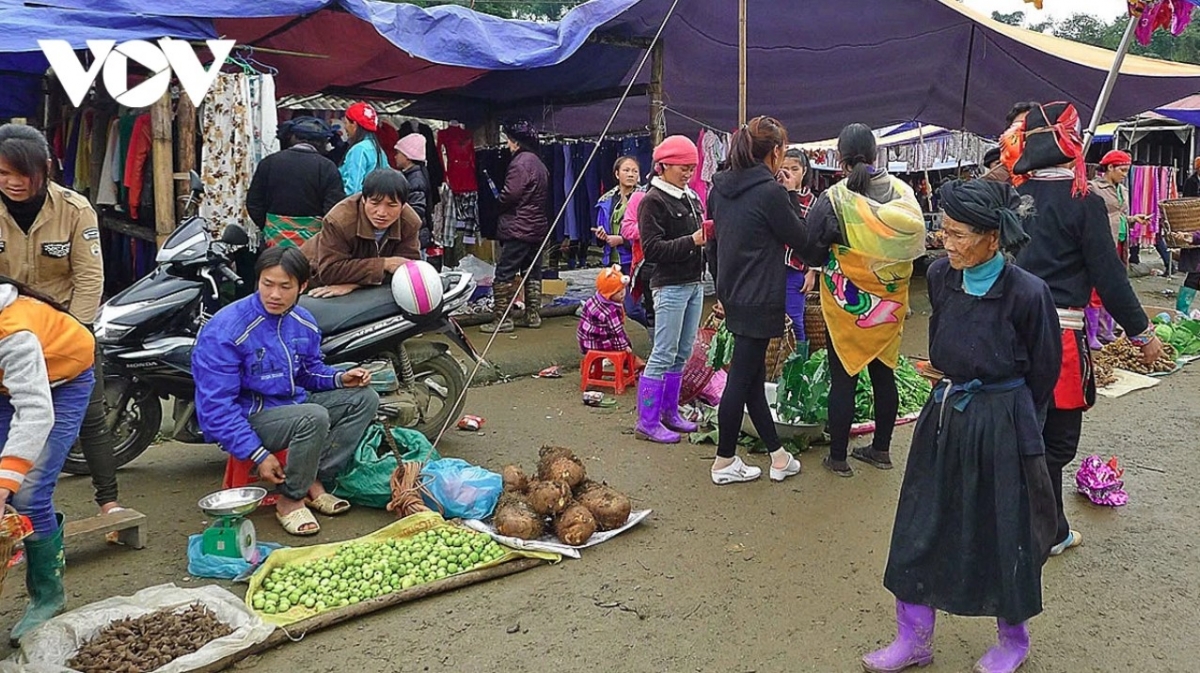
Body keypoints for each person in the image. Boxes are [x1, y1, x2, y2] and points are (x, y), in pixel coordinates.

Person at [863, 179, 1059, 673]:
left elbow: (1043, 372)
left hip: (1003, 420)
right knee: (919, 523)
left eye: (958, 234)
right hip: (944, 413)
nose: (946, 243)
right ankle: (914, 638)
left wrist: (1015, 428)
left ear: (993, 236)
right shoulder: (939, 278)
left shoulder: (1028, 293)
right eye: (943, 232)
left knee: (1004, 529)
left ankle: (1013, 640)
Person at [1012, 101, 1163, 557]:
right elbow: (1109, 277)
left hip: (1011, 333)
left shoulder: (1014, 198)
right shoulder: (1084, 202)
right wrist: (1142, 332)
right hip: (1057, 339)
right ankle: (1043, 530)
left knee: (1023, 431)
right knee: (1056, 442)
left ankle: (1039, 525)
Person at [192, 247, 379, 536]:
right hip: (249, 417)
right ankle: (290, 500)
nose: (275, 295)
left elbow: (308, 373)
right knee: (313, 416)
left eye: (285, 286)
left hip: (294, 406)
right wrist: (256, 453)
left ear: (302, 287)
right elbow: (215, 409)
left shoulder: (302, 321)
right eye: (267, 284)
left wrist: (341, 379)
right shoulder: (226, 329)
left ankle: (312, 479)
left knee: (364, 398)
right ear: (257, 282)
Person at [0, 124, 121, 518]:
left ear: (46, 169)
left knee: (92, 417)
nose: (13, 183)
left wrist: (76, 333)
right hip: (9, 331)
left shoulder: (74, 209)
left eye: (23, 174)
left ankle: (109, 501)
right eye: (3, 174)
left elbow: (90, 278)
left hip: (66, 332)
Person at [797, 123, 926, 477]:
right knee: (884, 376)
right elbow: (916, 244)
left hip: (847, 304)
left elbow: (812, 247)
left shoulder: (834, 198)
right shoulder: (903, 193)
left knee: (844, 378)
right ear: (875, 154)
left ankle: (838, 458)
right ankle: (881, 451)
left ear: (839, 158)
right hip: (889, 303)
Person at [706, 117, 807, 484]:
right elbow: (802, 241)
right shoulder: (771, 193)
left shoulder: (717, 190)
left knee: (751, 379)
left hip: (734, 293)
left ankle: (778, 456)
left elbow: (713, 245)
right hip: (761, 295)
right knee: (741, 379)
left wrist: (722, 288)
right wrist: (793, 194)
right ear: (776, 151)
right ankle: (724, 460)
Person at [0, 278, 94, 644]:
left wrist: (4, 485)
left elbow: (36, 414)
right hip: (8, 385)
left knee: (27, 493)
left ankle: (48, 597)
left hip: (63, 380)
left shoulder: (14, 332)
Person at [634, 135, 706, 445]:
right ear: (662, 167)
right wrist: (693, 241)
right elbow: (652, 250)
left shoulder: (690, 196)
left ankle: (670, 412)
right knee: (662, 353)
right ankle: (647, 421)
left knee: (682, 352)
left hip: (694, 283)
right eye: (681, 167)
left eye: (691, 166)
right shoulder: (653, 200)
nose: (687, 172)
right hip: (670, 286)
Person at [301, 169, 421, 298]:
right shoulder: (339, 220)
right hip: (312, 282)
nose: (381, 212)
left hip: (360, 291)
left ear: (403, 206)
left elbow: (407, 272)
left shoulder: (410, 223)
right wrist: (384, 264)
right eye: (375, 203)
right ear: (364, 199)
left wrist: (354, 285)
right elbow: (329, 271)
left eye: (391, 205)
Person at [480, 120, 550, 334]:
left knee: (505, 273)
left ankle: (503, 320)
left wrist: (497, 203)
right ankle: (532, 315)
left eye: (510, 141)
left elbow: (510, 195)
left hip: (518, 226)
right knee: (532, 271)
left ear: (516, 142)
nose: (508, 145)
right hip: (537, 227)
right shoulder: (539, 163)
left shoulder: (520, 163)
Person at [246, 117, 345, 246]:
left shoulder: (269, 163)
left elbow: (253, 202)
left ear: (292, 138)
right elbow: (334, 209)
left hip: (273, 238)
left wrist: (271, 225)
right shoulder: (327, 167)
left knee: (273, 266)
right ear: (321, 142)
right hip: (312, 243)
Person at [1088, 150, 1146, 348]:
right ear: (1110, 167)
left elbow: (1119, 214)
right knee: (1097, 288)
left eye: (1127, 170)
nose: (1124, 174)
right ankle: (1091, 333)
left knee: (1115, 283)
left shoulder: (1122, 189)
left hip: (1120, 242)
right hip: (1103, 241)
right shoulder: (1094, 187)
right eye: (1121, 170)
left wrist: (1133, 219)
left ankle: (1107, 329)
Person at [595, 156, 651, 329]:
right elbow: (600, 229)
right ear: (617, 174)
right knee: (608, 305)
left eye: (635, 171)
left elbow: (648, 230)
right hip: (612, 261)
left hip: (635, 260)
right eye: (626, 170)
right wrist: (601, 235)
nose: (631, 174)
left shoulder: (645, 199)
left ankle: (656, 331)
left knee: (632, 307)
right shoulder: (606, 200)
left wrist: (622, 240)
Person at [779, 148, 818, 343]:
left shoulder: (813, 203)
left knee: (795, 320)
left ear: (804, 171)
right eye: (784, 168)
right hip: (771, 267)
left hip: (797, 269)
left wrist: (812, 271)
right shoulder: (774, 195)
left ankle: (798, 367)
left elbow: (817, 240)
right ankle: (776, 367)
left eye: (794, 169)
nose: (789, 174)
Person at [394, 133, 441, 270]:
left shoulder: (415, 180)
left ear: (407, 156)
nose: (395, 156)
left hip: (416, 237)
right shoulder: (413, 176)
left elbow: (417, 210)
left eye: (398, 152)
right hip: (418, 235)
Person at [577, 265, 640, 367]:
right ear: (608, 293)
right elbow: (617, 332)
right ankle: (624, 364)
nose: (622, 294)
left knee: (622, 339)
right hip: (596, 344)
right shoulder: (610, 310)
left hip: (584, 340)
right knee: (626, 347)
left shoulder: (595, 299)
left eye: (623, 289)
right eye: (618, 292)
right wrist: (625, 347)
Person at [338, 102, 389, 196]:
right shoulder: (378, 150)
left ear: (355, 124)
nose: (345, 128)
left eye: (346, 123)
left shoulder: (359, 149)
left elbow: (353, 189)